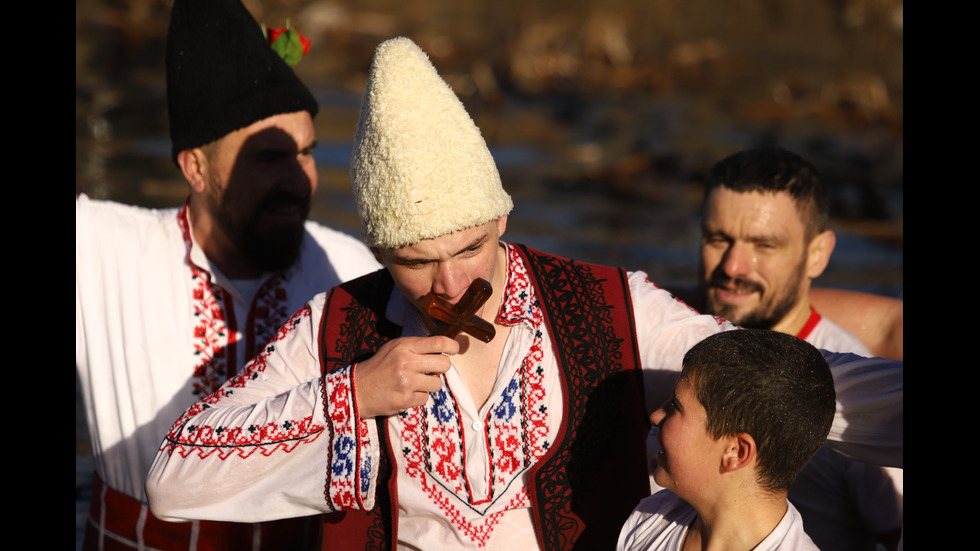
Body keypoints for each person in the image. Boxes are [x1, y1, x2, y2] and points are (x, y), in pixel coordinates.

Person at [145, 37, 903, 551]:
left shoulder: (608, 305)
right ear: (378, 250)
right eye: (413, 260)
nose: (448, 283)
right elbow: (172, 480)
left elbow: (798, 393)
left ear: (503, 217)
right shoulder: (337, 329)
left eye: (470, 246)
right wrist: (351, 393)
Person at [75, 1, 381, 549]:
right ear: (195, 167)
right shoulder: (100, 249)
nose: (300, 180)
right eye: (269, 158)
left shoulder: (353, 271)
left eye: (307, 153)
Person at [689, 147, 903, 550]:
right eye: (717, 239)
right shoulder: (671, 336)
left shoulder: (858, 396)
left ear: (817, 254)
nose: (733, 266)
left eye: (764, 245)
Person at [618, 329, 835, 551]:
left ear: (736, 452)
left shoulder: (655, 518)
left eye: (675, 406)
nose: (655, 415)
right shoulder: (652, 517)